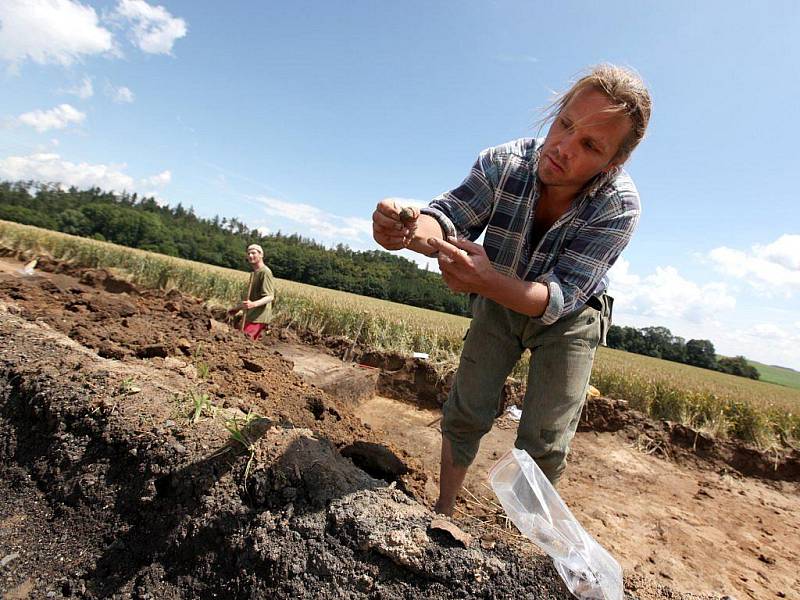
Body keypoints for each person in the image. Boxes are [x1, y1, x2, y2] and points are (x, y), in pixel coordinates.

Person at [371, 64, 651, 515]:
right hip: (498, 291)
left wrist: (488, 281)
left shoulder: (619, 206)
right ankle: (444, 509)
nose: (562, 147)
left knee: (545, 437)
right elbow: (446, 217)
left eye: (589, 145)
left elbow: (559, 297)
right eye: (565, 124)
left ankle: (519, 544)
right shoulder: (505, 163)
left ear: (612, 162)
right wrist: (406, 225)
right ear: (557, 112)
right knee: (468, 406)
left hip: (571, 316)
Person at [228, 244, 275, 341]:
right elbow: (251, 299)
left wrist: (253, 304)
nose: (250, 255)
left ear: (261, 255)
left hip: (258, 316)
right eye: (248, 253)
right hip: (251, 315)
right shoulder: (255, 272)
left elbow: (270, 296)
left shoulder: (265, 272)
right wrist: (237, 308)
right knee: (242, 340)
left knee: (243, 341)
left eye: (253, 253)